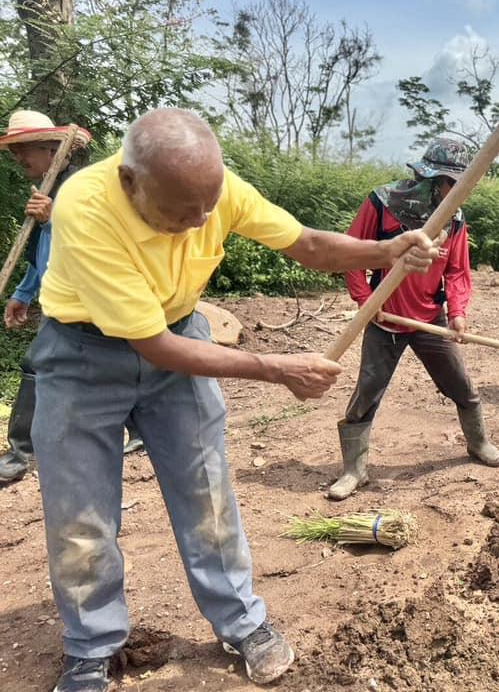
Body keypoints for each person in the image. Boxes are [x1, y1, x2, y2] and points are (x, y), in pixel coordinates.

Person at [30, 108, 441, 692]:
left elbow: (309, 246)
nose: (201, 221)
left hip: (180, 333)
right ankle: (91, 647)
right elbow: (153, 345)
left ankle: (241, 622)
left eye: (209, 205)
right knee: (80, 514)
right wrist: (277, 368)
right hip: (83, 356)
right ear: (130, 181)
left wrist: (388, 250)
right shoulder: (86, 205)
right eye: (181, 211)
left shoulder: (214, 191)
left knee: (207, 491)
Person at [330, 138, 499, 501]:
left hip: (430, 318)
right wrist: (365, 301)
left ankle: (478, 442)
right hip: (384, 318)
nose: (461, 191)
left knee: (461, 384)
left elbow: (457, 271)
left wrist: (456, 313)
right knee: (367, 391)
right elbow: (351, 253)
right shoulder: (381, 203)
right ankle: (354, 470)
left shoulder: (454, 218)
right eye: (455, 183)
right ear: (435, 179)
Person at [0, 112, 147, 487]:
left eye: (24, 150)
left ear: (53, 150)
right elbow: (44, 252)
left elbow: (91, 244)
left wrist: (55, 218)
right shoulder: (48, 192)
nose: (19, 159)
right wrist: (23, 293)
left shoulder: (82, 189)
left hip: (91, 297)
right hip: (65, 298)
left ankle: (21, 453)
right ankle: (142, 428)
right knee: (111, 362)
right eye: (14, 151)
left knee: (41, 362)